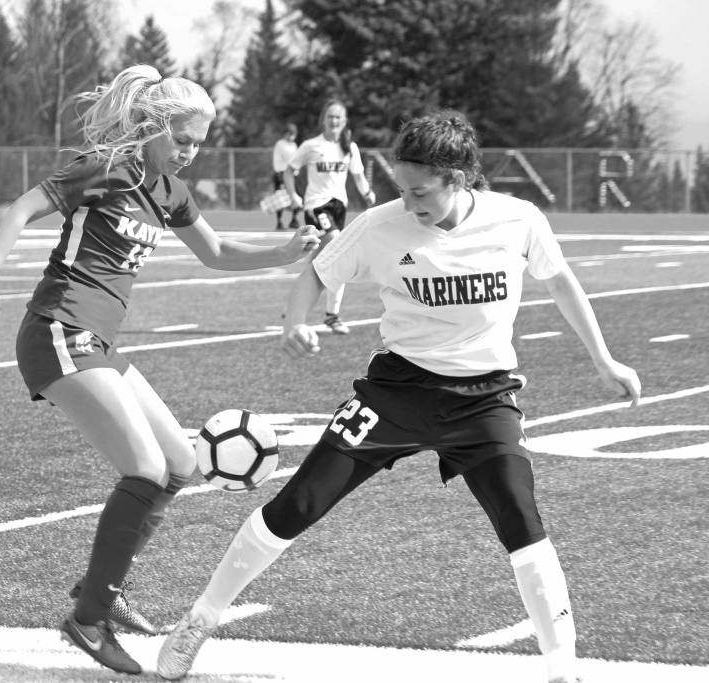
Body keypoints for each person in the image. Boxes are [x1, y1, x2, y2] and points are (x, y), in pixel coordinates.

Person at [157, 110, 642, 683]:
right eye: (402, 190)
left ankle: (563, 670)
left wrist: (604, 359)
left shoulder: (518, 219)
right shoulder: (379, 225)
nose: (409, 204)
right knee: (299, 503)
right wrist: (296, 322)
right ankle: (200, 619)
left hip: (484, 399)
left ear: (458, 178)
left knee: (521, 517)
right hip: (396, 391)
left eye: (421, 192)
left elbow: (560, 281)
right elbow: (317, 273)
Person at [0, 64, 320, 676]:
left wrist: (284, 252)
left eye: (198, 144)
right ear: (152, 127)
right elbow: (18, 211)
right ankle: (88, 620)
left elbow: (216, 253)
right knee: (145, 468)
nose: (188, 152)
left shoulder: (171, 191)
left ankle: (101, 588)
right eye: (180, 139)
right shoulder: (106, 168)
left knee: (180, 463)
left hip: (97, 342)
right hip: (58, 330)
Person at [283, 99, 375, 334]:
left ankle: (301, 303)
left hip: (338, 207)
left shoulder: (349, 147)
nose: (334, 121)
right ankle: (331, 315)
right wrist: (294, 195)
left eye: (338, 117)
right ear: (323, 120)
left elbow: (358, 175)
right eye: (330, 116)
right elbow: (289, 171)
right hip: (316, 206)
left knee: (323, 259)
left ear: (344, 121)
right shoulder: (311, 145)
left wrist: (367, 193)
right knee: (337, 247)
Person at [271, 123, 300, 230]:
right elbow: (290, 160)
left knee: (296, 196)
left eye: (293, 134)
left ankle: (294, 219)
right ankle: (279, 221)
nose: (292, 136)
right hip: (281, 174)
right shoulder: (280, 144)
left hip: (293, 175)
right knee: (281, 199)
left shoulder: (294, 145)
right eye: (290, 134)